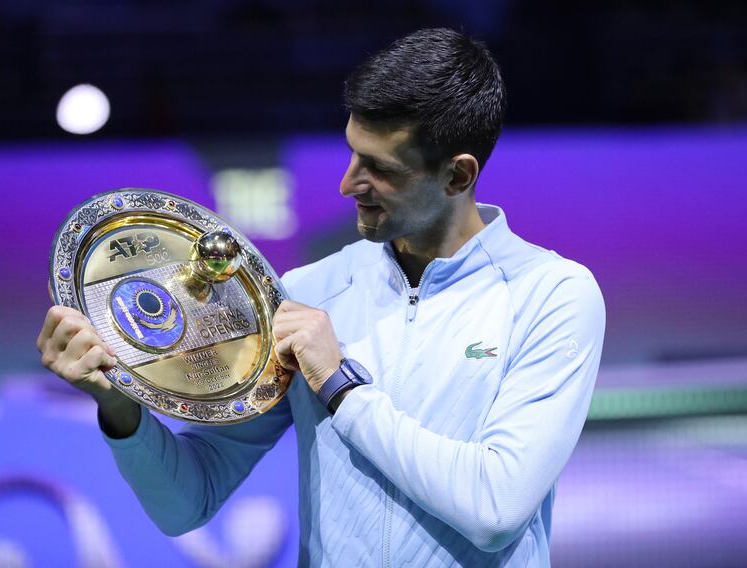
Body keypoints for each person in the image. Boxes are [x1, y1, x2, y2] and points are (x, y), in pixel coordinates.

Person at [37, 27, 605, 567]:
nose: (348, 183)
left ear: (457, 176)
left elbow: (496, 508)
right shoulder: (309, 293)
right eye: (353, 153)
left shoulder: (552, 296)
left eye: (381, 169)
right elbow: (187, 501)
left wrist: (340, 387)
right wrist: (118, 405)